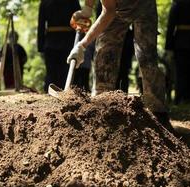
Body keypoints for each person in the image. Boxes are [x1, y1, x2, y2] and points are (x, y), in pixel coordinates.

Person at [67, 0, 171, 129]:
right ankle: (100, 106)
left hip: (143, 6)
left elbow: (107, 12)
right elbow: (109, 10)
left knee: (146, 58)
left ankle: (158, 114)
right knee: (105, 52)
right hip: (116, 10)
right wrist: (88, 7)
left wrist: (82, 44)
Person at [37, 0, 81, 92]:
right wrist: (79, 43)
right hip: (68, 40)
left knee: (51, 73)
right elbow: (79, 22)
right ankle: (66, 94)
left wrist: (41, 46)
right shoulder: (73, 1)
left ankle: (50, 95)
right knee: (65, 71)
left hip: (51, 41)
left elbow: (41, 25)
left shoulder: (45, 2)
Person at [96, 1, 134, 93]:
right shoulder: (102, 3)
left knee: (123, 73)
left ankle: (123, 99)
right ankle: (104, 100)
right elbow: (100, 20)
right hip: (106, 41)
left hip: (125, 43)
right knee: (105, 73)